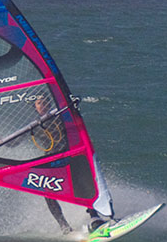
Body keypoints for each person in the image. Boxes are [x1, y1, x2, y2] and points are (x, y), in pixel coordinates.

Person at [34, 95, 114, 234]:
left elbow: (73, 120)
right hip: (51, 164)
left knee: (84, 186)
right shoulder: (34, 126)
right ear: (35, 106)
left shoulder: (59, 117)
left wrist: (73, 106)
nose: (43, 105)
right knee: (48, 194)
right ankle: (64, 226)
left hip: (69, 158)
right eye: (39, 103)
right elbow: (15, 143)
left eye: (45, 102)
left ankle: (95, 217)